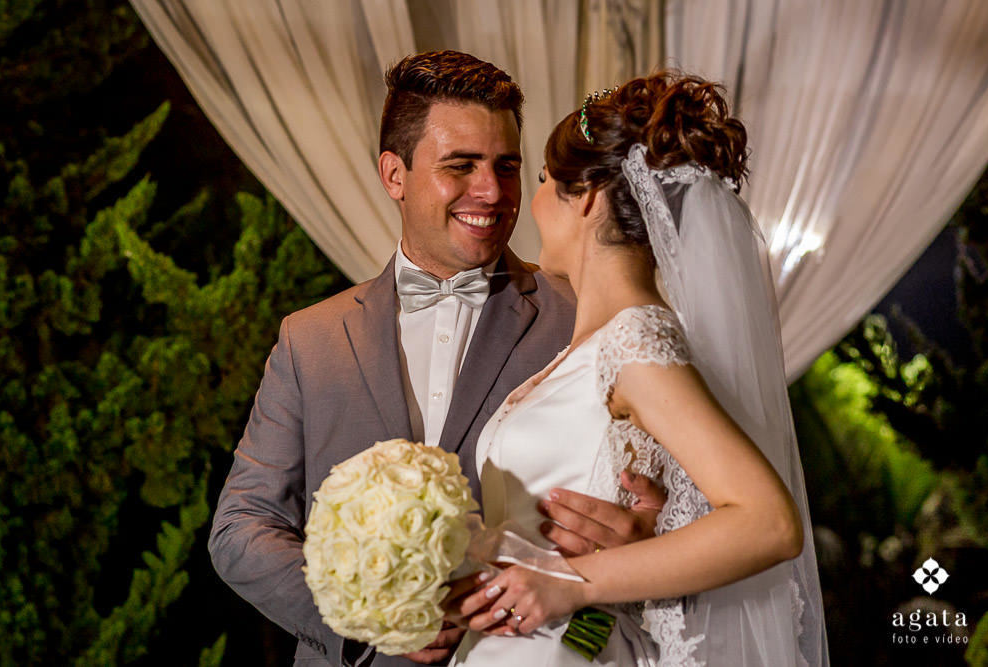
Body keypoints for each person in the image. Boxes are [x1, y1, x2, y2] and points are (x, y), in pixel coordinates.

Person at [208, 50, 666, 667]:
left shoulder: (590, 317)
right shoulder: (310, 339)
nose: (492, 192)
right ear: (394, 175)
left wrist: (650, 538)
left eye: (507, 166)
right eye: (461, 165)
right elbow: (241, 525)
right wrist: (369, 622)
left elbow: (676, 497)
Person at [447, 72, 829, 666]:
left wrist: (573, 584)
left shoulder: (636, 340)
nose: (532, 202)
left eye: (543, 180)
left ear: (587, 195)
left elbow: (769, 523)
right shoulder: (595, 346)